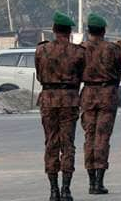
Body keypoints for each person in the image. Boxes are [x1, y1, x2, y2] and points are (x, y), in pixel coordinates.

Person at [35, 12, 85, 201]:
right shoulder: (79, 52)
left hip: (48, 98)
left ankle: (53, 189)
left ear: (54, 30)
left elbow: (39, 75)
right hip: (70, 99)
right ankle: (66, 189)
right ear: (69, 31)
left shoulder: (41, 50)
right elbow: (81, 75)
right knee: (68, 144)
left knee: (51, 143)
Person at [80, 13, 121, 195]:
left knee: (89, 136)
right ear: (104, 31)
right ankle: (99, 181)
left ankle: (91, 181)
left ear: (89, 30)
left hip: (88, 94)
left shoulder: (81, 49)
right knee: (103, 137)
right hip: (107, 94)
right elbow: (118, 73)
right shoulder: (112, 49)